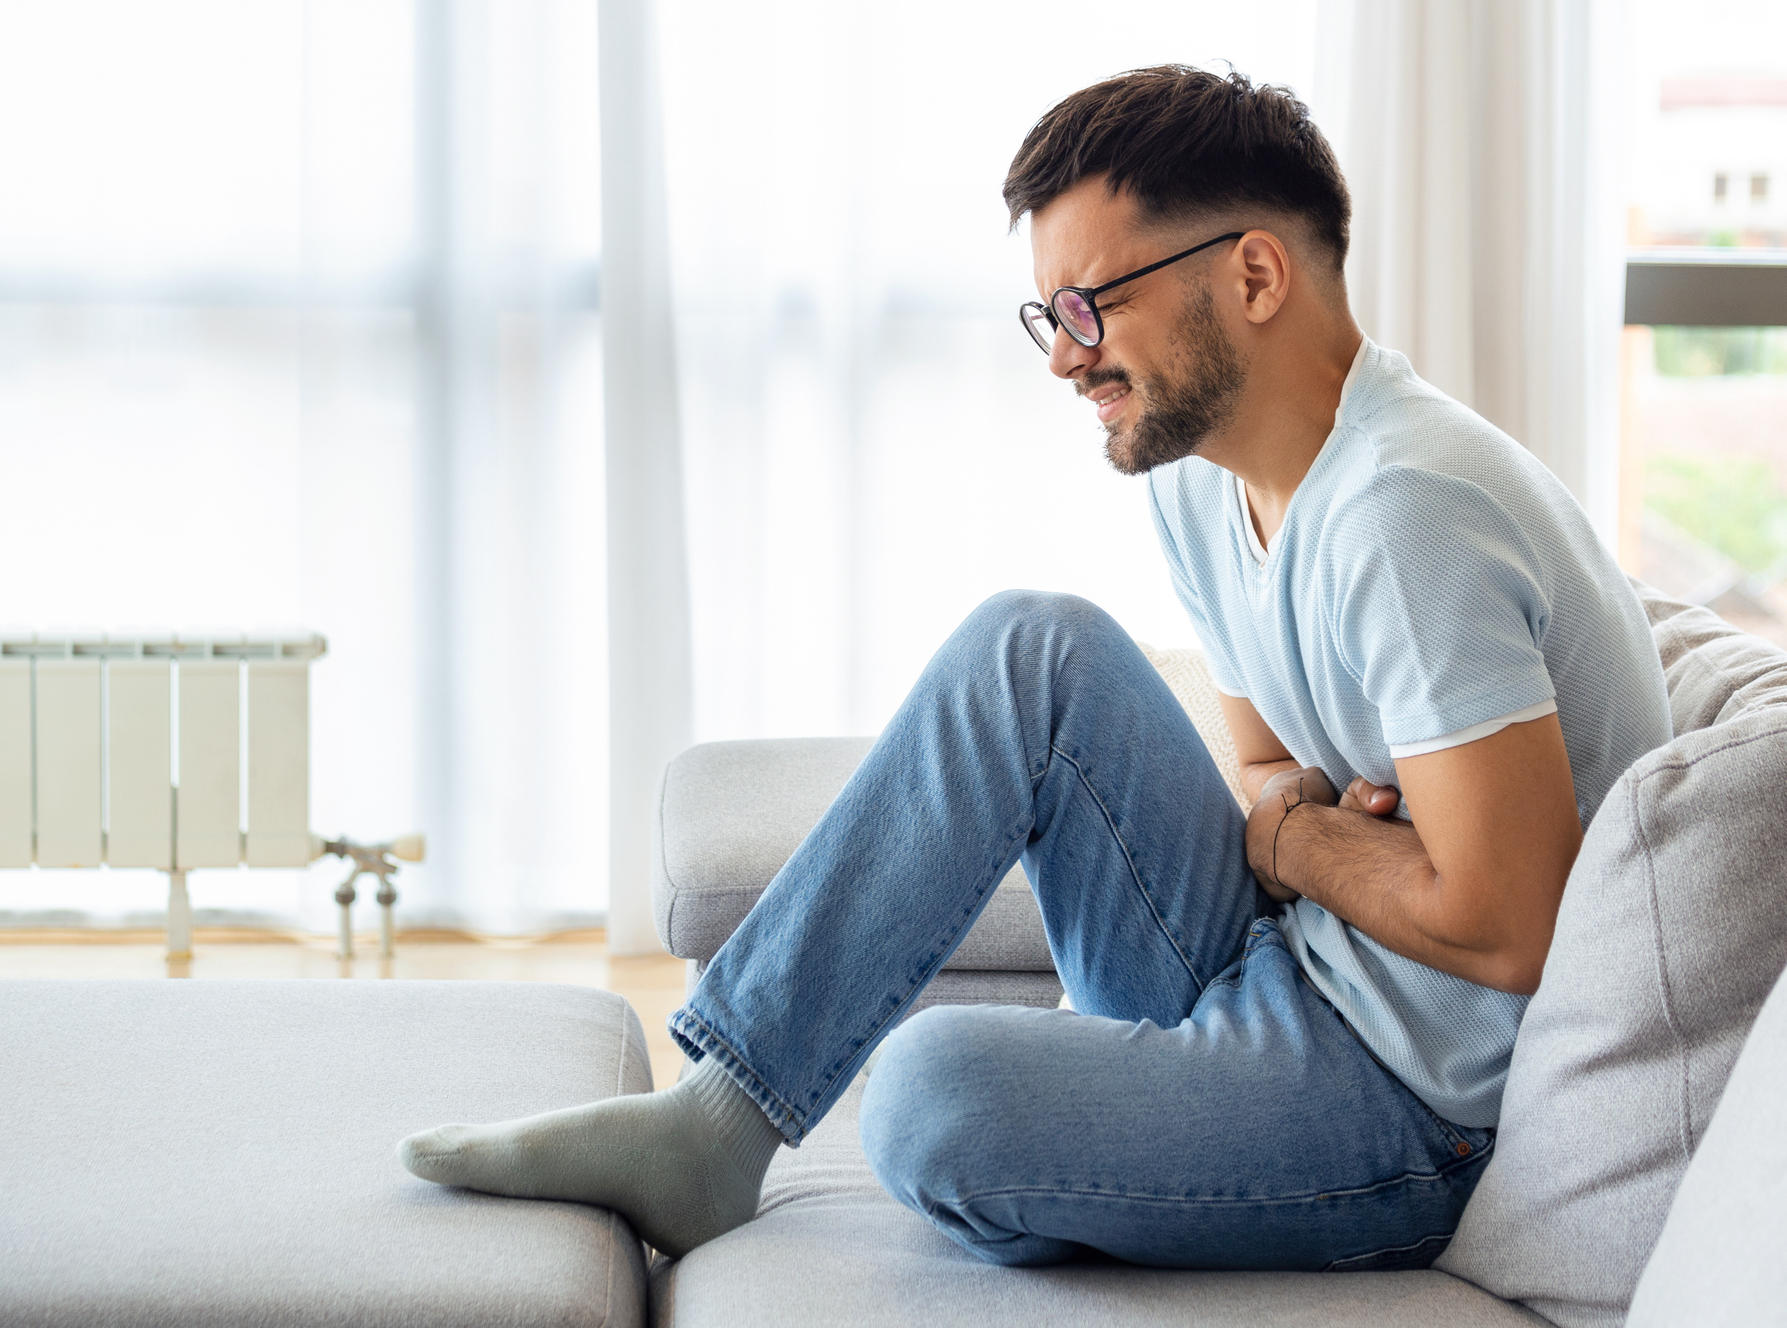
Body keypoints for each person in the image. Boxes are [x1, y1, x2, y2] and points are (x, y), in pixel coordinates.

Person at [397, 65, 1671, 1272]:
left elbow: (1512, 925)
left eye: (1091, 305)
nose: (1065, 356)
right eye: (1046, 316)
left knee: (928, 1093)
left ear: (1257, 273)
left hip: (1420, 1113)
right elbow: (1273, 768)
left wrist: (1294, 851)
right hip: (1297, 972)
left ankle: (1124, 1134)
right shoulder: (1203, 483)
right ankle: (719, 1119)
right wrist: (1313, 840)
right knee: (1034, 646)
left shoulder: (1410, 511)